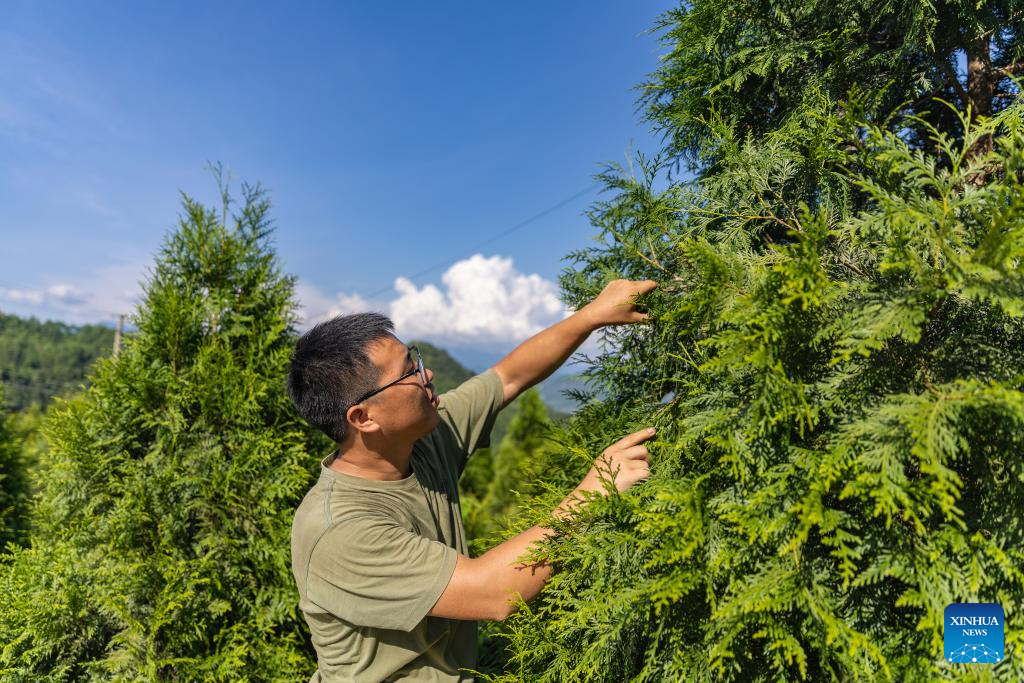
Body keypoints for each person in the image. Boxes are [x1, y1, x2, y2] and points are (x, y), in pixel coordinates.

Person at [286, 278, 658, 682]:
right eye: (408, 373)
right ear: (363, 418)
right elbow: (495, 593)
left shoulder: (420, 442)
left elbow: (508, 377)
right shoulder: (341, 530)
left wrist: (591, 316)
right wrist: (595, 491)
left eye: (416, 359)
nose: (426, 375)